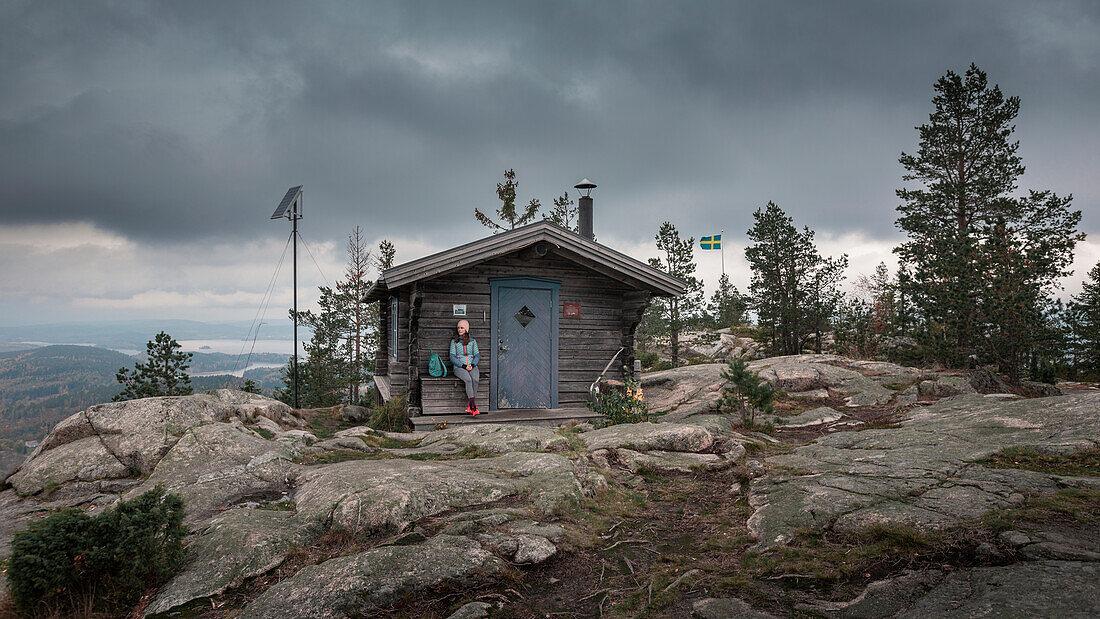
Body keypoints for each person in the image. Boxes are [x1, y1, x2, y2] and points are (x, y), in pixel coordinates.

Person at [450, 319, 481, 415]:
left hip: (472, 366)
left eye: (462, 328)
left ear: (466, 329)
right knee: (468, 380)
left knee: (475, 379)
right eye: (458, 328)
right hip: (459, 367)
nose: (459, 330)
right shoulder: (454, 342)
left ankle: (470, 406)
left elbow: (477, 355)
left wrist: (472, 365)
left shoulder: (472, 342)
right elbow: (452, 357)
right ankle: (473, 407)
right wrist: (463, 365)